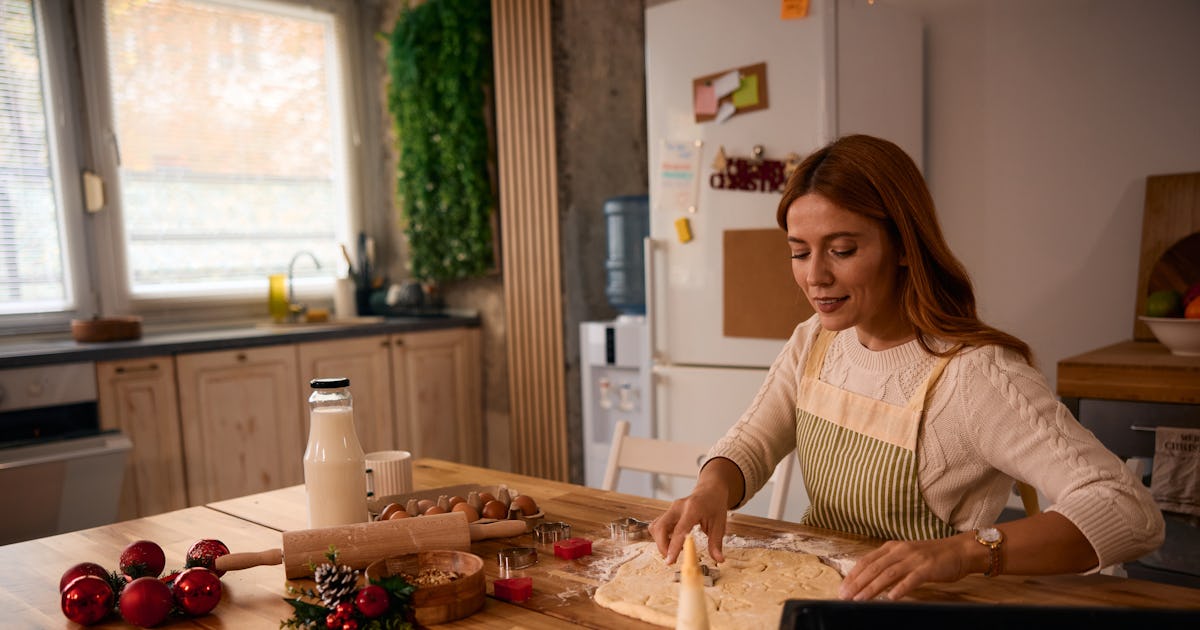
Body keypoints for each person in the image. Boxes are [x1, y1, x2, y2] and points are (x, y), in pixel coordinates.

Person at [648, 134, 1164, 601]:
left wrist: (961, 552)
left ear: (902, 246)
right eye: (799, 253)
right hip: (831, 599)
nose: (815, 277)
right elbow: (753, 444)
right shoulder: (815, 341)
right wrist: (711, 488)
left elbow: (1129, 511)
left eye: (842, 249)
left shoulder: (975, 375)